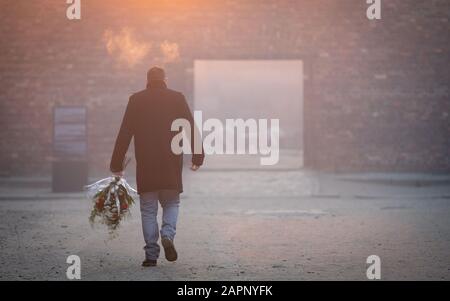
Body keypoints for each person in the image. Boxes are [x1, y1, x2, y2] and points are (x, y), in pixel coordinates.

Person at [110, 66, 204, 267]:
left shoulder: (136, 100)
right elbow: (190, 127)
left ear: (147, 80)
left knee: (148, 209)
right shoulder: (177, 98)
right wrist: (198, 156)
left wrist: (116, 163)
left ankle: (151, 255)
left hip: (147, 165)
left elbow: (125, 133)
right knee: (172, 203)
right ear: (165, 80)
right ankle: (167, 234)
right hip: (171, 163)